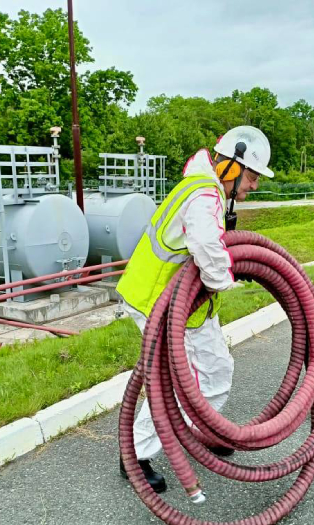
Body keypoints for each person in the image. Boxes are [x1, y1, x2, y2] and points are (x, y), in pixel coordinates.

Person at [116, 125, 274, 493]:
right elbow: (206, 247)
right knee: (172, 385)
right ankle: (135, 455)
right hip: (158, 303)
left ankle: (201, 430)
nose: (253, 186)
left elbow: (212, 249)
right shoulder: (203, 194)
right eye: (251, 176)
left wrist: (239, 265)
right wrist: (227, 277)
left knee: (217, 373)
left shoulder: (207, 190)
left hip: (189, 308)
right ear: (232, 167)